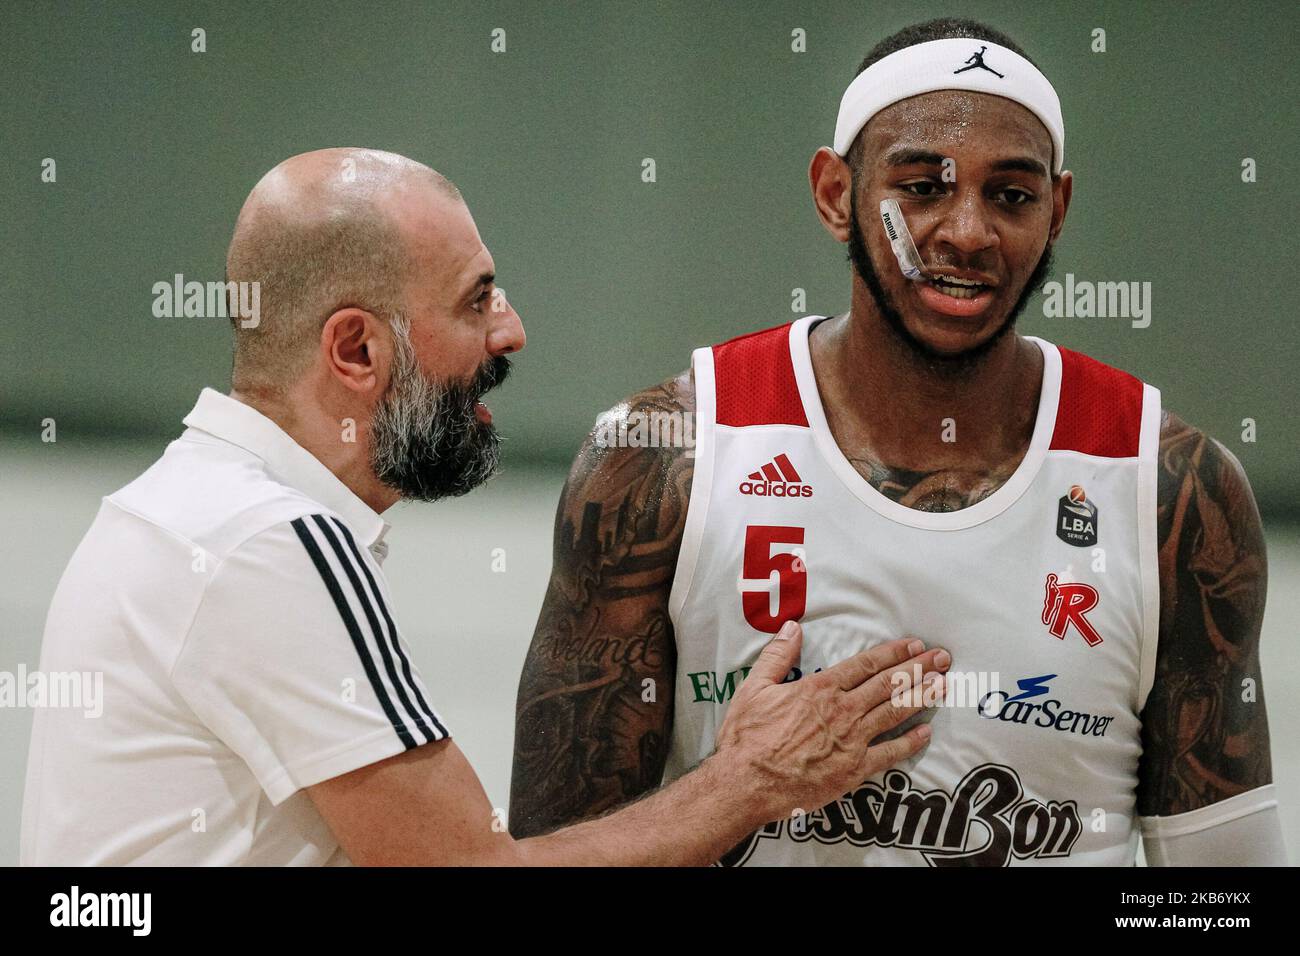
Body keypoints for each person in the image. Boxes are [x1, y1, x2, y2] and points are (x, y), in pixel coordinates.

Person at [19, 147, 946, 866]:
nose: (511, 330)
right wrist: (749, 782)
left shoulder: (183, 511)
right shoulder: (268, 542)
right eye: (476, 300)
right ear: (355, 350)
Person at [510, 19, 1284, 866]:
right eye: (921, 187)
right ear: (836, 192)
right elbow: (549, 859)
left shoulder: (1174, 489)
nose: (966, 232)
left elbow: (1221, 896)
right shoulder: (662, 458)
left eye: (1011, 197)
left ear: (1057, 210)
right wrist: (741, 786)